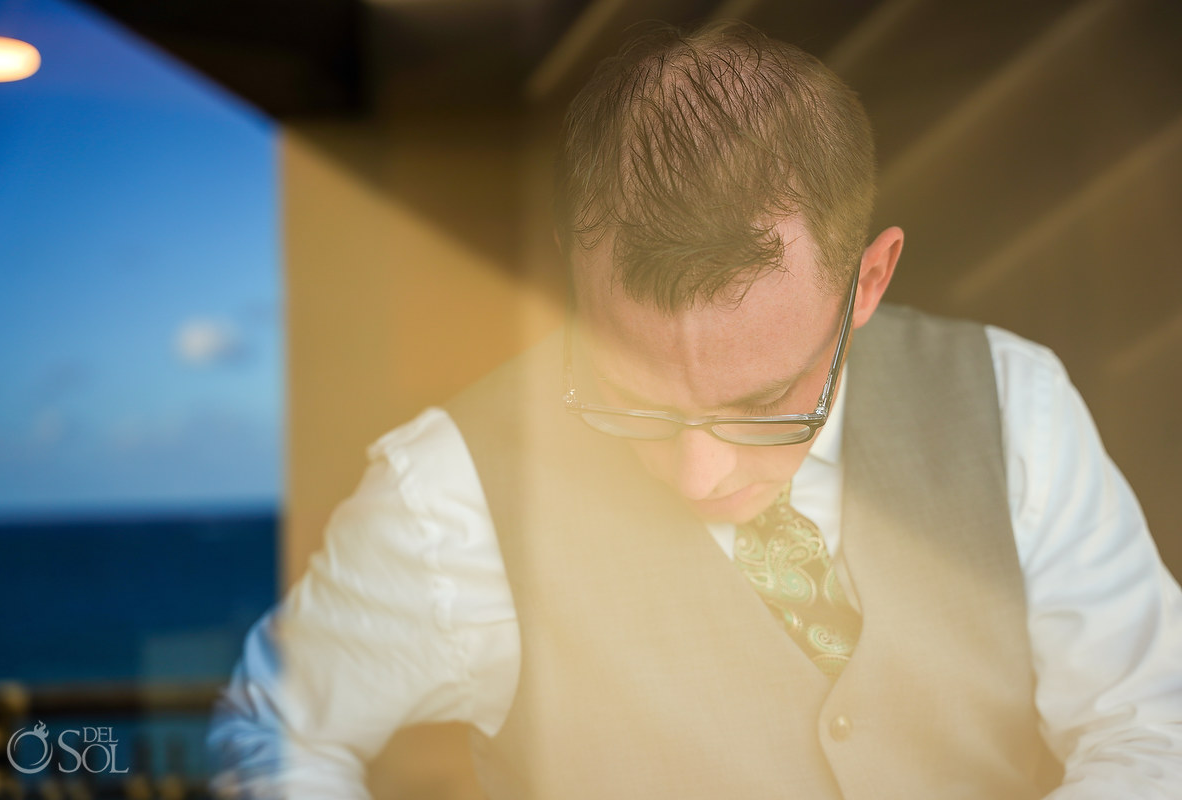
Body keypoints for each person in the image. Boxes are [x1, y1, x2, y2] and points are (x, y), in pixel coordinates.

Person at [208, 21, 1182, 799]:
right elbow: (274, 726)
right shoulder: (448, 490)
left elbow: (1156, 718)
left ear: (868, 278)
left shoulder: (1016, 407)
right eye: (631, 397)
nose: (695, 472)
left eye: (764, 403)